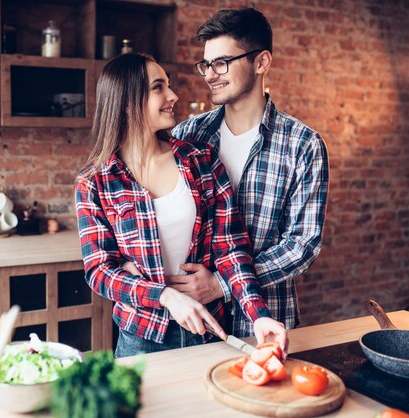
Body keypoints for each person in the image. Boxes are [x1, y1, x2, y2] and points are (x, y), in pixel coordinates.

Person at [75, 52, 287, 358]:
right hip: (142, 337)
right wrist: (164, 296)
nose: (173, 95)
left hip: (209, 329)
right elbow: (99, 271)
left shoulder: (200, 160)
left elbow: (231, 248)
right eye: (158, 87)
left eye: (168, 85)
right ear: (126, 101)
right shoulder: (95, 181)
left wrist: (258, 313)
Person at [170, 8, 330, 337]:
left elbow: (302, 246)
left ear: (261, 62)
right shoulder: (188, 135)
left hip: (264, 321)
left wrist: (222, 284)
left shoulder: (302, 144)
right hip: (192, 325)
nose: (209, 75)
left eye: (222, 63)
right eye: (206, 64)